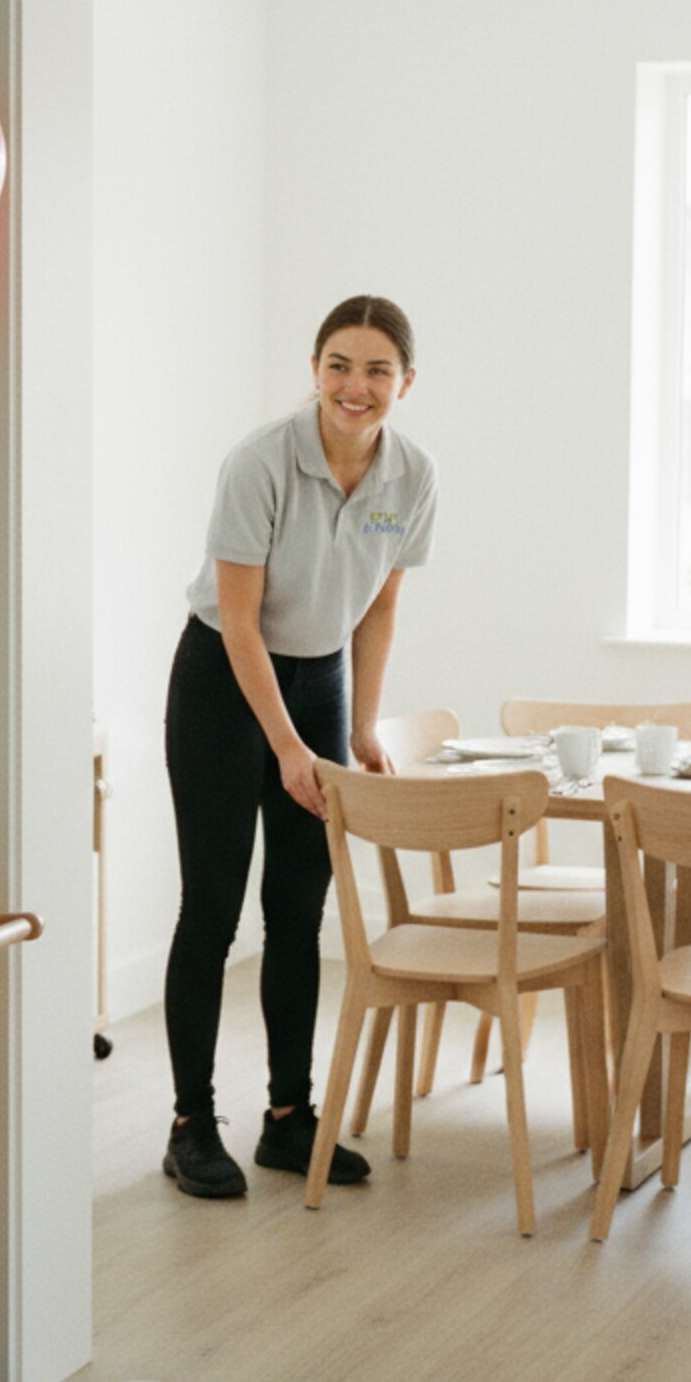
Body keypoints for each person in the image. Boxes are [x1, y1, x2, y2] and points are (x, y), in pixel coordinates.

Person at [160, 294, 436, 1198]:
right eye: (339, 366)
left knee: (296, 909)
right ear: (314, 370)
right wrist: (286, 747)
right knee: (212, 909)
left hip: (321, 681)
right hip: (224, 681)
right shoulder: (261, 461)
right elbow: (240, 622)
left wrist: (358, 727)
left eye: (377, 370)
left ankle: (288, 1118)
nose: (356, 387)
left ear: (405, 382)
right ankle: (191, 1125)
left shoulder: (412, 476)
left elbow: (381, 605)